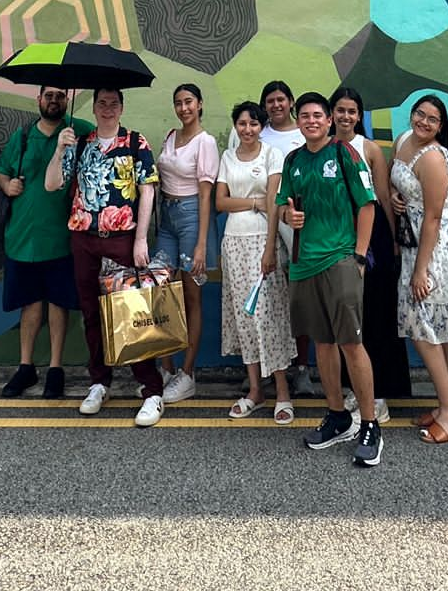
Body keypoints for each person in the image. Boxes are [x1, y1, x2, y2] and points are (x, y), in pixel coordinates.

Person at [269, 92, 384, 465]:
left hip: (340, 259)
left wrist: (360, 256)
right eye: (305, 115)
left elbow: (367, 205)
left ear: (329, 120)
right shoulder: (293, 160)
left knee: (351, 342)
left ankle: (369, 424)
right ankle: (337, 416)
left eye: (318, 115)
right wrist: (290, 218)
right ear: (298, 121)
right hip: (304, 264)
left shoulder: (345, 153)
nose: (312, 121)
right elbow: (285, 207)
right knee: (322, 343)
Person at [44, 83, 166, 425]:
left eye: (113, 103)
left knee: (133, 313)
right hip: (84, 237)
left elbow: (147, 190)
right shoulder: (80, 142)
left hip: (121, 237)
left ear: (121, 108)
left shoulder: (134, 142)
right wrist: (59, 150)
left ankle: (151, 389)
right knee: (91, 312)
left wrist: (141, 239)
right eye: (101, 103)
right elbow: (52, 184)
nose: (107, 108)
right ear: (94, 108)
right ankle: (100, 380)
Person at [393, 93, 448, 443]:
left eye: (433, 119)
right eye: (420, 114)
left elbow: (432, 216)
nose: (425, 122)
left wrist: (421, 269)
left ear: (440, 127)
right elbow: (396, 180)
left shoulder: (432, 157)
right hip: (415, 238)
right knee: (438, 326)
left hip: (436, 247)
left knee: (421, 325)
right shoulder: (403, 142)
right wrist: (395, 194)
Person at [0, 84, 91, 400]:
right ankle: (25, 366)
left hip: (61, 236)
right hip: (22, 235)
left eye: (60, 96)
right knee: (30, 303)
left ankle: (56, 368)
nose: (54, 100)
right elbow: (2, 172)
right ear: (38, 100)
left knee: (59, 303)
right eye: (48, 95)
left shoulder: (78, 131)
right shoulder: (22, 137)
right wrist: (8, 186)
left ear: (67, 100)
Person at [216, 101, 295, 422]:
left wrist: (269, 250)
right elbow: (220, 202)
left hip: (264, 241)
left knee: (269, 317)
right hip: (233, 244)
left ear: (261, 126)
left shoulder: (271, 155)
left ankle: (283, 392)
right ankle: (255, 390)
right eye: (241, 124)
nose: (247, 129)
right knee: (244, 317)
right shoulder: (227, 157)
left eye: (253, 124)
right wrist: (252, 202)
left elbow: (274, 203)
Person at [329, 86, 405, 419]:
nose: (345, 116)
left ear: (359, 116)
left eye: (351, 111)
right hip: (334, 239)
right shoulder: (322, 148)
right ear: (331, 113)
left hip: (371, 240)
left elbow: (384, 198)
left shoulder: (370, 149)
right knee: (347, 317)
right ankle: (354, 389)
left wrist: (392, 239)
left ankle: (379, 396)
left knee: (375, 315)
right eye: (340, 110)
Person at [154, 82, 217, 402]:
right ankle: (165, 366)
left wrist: (201, 245)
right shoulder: (170, 136)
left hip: (193, 216)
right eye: (178, 102)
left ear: (200, 104)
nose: (184, 108)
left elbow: (206, 196)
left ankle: (188, 374)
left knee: (192, 296)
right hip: (166, 217)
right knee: (162, 291)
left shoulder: (205, 142)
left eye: (189, 101)